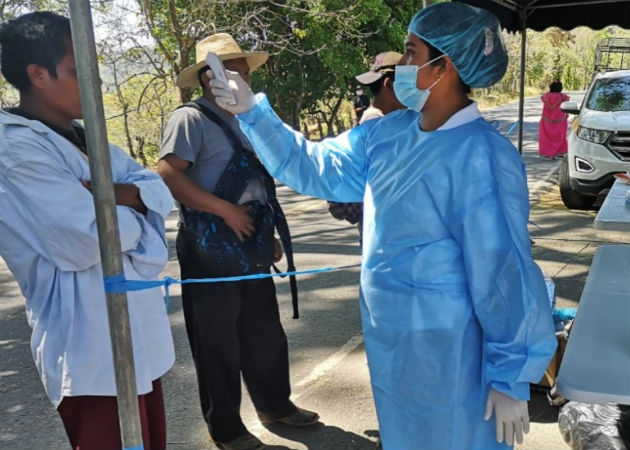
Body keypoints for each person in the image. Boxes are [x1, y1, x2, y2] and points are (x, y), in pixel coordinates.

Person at [209, 3, 558, 450]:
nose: (402, 67)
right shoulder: (388, 135)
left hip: (453, 354)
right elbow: (313, 166)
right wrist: (254, 112)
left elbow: (502, 272)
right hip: (392, 343)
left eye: (411, 54)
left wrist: (510, 374)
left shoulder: (482, 155)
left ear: (442, 67)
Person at [0, 12, 175, 450]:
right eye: (80, 71)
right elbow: (86, 240)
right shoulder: (16, 147)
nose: (94, 82)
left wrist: (115, 194)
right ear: (38, 75)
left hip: (138, 338)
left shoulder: (85, 135)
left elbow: (158, 191)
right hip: (89, 349)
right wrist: (131, 202)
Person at [157, 33, 318, 450]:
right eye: (233, 72)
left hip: (251, 240)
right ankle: (226, 429)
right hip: (209, 247)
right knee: (217, 343)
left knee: (263, 332)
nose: (241, 80)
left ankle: (275, 405)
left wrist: (268, 235)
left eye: (244, 73)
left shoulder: (246, 117)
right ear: (208, 77)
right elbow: (168, 174)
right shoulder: (190, 119)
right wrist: (225, 210)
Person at [328, 51, 405, 243]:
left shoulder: (393, 120)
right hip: (384, 231)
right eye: (409, 82)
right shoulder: (377, 124)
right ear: (389, 84)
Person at [539, 79, 570, 159]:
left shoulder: (545, 96)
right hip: (560, 120)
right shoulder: (563, 97)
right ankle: (559, 152)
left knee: (546, 137)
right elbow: (567, 102)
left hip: (546, 120)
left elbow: (541, 98)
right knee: (560, 136)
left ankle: (547, 152)